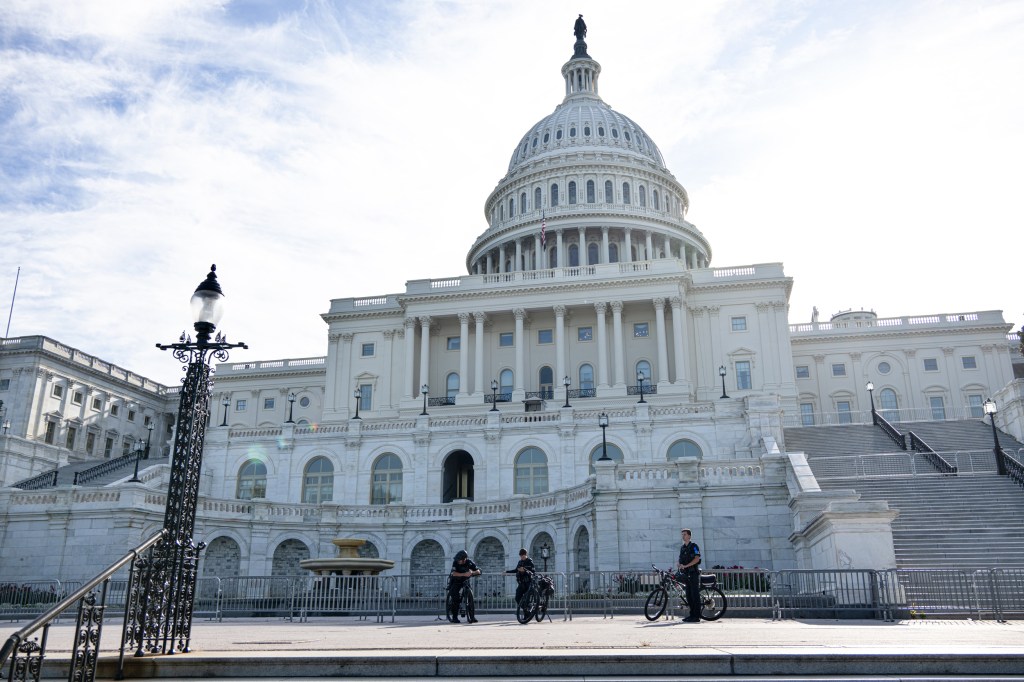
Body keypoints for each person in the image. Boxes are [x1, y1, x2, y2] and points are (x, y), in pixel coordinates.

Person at [448, 549, 480, 623]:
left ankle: (472, 617)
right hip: (456, 581)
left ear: (464, 559)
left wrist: (472, 572)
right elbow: (454, 573)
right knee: (456, 599)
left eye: (460, 560)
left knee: (470, 598)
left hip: (465, 581)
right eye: (458, 560)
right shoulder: (455, 563)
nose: (458, 561)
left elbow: (478, 571)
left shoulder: (469, 562)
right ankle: (454, 617)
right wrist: (464, 574)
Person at [677, 528, 702, 622]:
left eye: (684, 534)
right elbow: (680, 559)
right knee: (688, 595)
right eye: (682, 534)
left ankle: (696, 616)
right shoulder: (682, 548)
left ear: (689, 536)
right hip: (686, 575)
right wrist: (679, 564)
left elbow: (697, 559)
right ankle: (691, 615)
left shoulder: (694, 546)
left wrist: (686, 565)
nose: (683, 536)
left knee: (695, 595)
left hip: (693, 573)